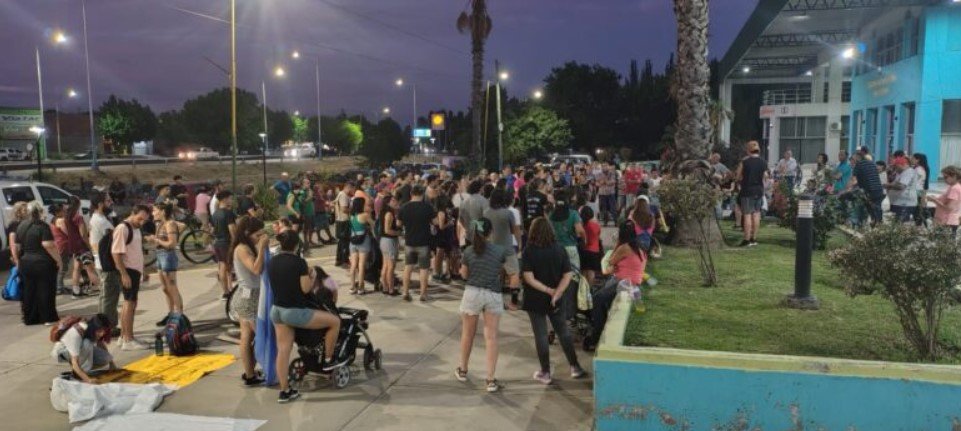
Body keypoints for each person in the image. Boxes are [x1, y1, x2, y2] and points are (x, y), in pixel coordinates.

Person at [269, 230, 346, 403]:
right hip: (295, 311)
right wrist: (312, 276)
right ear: (297, 245)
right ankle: (328, 359)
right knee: (335, 322)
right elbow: (305, 289)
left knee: (283, 351)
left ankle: (284, 391)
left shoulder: (272, 261)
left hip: (277, 310)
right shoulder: (299, 262)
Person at [521, 217, 588, 385]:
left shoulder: (529, 250)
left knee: (541, 335)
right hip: (556, 300)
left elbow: (528, 277)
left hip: (535, 299)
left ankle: (545, 372)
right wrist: (557, 292)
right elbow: (568, 274)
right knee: (563, 331)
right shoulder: (559, 249)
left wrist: (547, 290)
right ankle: (575, 366)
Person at [454, 217, 511, 393]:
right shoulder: (500, 251)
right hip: (493, 294)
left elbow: (463, 275)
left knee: (467, 334)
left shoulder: (469, 251)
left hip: (472, 293)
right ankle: (490, 380)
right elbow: (507, 272)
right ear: (490, 233)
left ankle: (463, 370)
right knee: (491, 338)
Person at [587, 221, 648, 351]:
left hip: (624, 281)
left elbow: (610, 261)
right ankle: (600, 326)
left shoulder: (624, 247)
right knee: (603, 296)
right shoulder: (639, 247)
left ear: (621, 234)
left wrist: (617, 245)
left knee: (597, 299)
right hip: (633, 281)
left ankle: (596, 335)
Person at [230, 216, 268, 387]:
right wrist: (262, 248)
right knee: (261, 336)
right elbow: (256, 269)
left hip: (249, 296)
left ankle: (250, 373)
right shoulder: (242, 249)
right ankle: (257, 372)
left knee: (246, 336)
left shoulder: (245, 246)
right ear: (247, 233)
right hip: (248, 299)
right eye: (257, 235)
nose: (259, 238)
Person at [15, 201, 61, 325]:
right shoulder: (43, 226)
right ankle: (48, 317)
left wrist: (17, 261)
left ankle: (30, 318)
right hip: (43, 263)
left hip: (26, 262)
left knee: (29, 291)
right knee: (45, 289)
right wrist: (58, 259)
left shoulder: (21, 226)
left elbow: (17, 246)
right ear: (39, 212)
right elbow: (48, 245)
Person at [112, 205, 151, 350]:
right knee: (129, 303)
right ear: (132, 213)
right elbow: (116, 253)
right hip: (128, 270)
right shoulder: (123, 228)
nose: (141, 222)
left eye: (144, 221)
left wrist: (143, 270)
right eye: (140, 219)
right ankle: (128, 339)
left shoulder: (135, 228)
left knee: (131, 303)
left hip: (134, 270)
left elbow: (137, 251)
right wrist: (124, 274)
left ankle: (125, 336)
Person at [549, 189, 586, 323]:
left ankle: (556, 307)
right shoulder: (573, 214)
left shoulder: (551, 215)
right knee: (573, 280)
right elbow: (580, 231)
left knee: (557, 279)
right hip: (570, 250)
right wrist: (584, 239)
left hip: (555, 250)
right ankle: (570, 312)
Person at [482, 188, 522, 308]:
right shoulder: (508, 213)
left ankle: (492, 301)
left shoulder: (486, 212)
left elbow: (481, 230)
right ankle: (513, 303)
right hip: (507, 248)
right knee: (514, 273)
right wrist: (519, 244)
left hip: (491, 248)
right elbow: (516, 230)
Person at [50, 314, 117, 383]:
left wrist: (112, 364)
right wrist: (88, 380)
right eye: (100, 331)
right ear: (93, 328)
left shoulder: (92, 329)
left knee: (106, 358)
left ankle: (82, 371)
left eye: (104, 331)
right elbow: (75, 363)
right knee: (87, 343)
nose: (102, 334)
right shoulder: (76, 334)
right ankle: (78, 373)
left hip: (80, 347)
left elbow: (100, 344)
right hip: (62, 351)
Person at [399, 185, 435, 302]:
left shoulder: (404, 207)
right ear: (422, 194)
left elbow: (399, 223)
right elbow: (435, 222)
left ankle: (405, 292)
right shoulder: (427, 207)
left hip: (409, 241)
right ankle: (423, 294)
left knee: (408, 267)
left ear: (411, 193)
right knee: (424, 269)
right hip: (423, 242)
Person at [151, 203, 182, 327]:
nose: (153, 213)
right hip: (160, 255)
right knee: (165, 288)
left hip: (167, 256)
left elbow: (172, 244)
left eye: (154, 210)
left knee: (172, 287)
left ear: (162, 211)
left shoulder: (170, 224)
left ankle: (178, 315)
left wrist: (157, 240)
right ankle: (171, 314)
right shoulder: (160, 224)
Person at [736, 141, 768, 247]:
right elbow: (765, 176)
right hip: (759, 190)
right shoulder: (763, 162)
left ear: (748, 150)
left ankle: (746, 239)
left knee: (747, 215)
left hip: (747, 190)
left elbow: (738, 176)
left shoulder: (745, 162)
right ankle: (754, 238)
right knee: (757, 214)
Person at [847, 151, 886, 226]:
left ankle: (875, 222)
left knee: (871, 207)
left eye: (854, 158)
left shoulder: (859, 165)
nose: (853, 160)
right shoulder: (871, 163)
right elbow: (866, 177)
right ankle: (877, 223)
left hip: (870, 190)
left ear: (858, 157)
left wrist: (847, 189)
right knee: (876, 207)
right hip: (878, 189)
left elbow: (853, 180)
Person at [212, 191, 237, 300]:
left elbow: (212, 229)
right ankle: (228, 290)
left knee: (223, 266)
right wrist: (236, 241)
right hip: (226, 242)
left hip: (218, 242)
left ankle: (227, 290)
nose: (231, 200)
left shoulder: (215, 214)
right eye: (230, 198)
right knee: (227, 267)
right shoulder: (228, 213)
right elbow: (232, 229)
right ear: (225, 199)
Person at [348, 197, 374, 295]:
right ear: (361, 205)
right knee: (361, 265)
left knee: (353, 264)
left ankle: (352, 287)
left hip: (353, 241)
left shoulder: (351, 216)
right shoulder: (365, 215)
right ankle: (360, 287)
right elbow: (374, 224)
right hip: (363, 241)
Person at [884, 157, 918, 223]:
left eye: (896, 166)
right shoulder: (901, 173)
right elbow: (895, 184)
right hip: (899, 202)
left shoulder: (909, 172)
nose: (895, 168)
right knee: (897, 223)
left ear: (902, 164)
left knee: (900, 224)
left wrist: (888, 185)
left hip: (905, 203)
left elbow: (901, 186)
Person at [378, 195, 401, 296]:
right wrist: (399, 233)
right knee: (390, 266)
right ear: (387, 203)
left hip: (384, 241)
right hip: (389, 241)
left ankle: (385, 287)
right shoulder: (389, 214)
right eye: (393, 200)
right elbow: (387, 230)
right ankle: (391, 289)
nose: (395, 201)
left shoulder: (384, 213)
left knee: (386, 265)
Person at [578, 206, 602, 287]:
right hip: (595, 251)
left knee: (583, 272)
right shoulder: (596, 225)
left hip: (584, 250)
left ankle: (582, 290)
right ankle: (590, 291)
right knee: (591, 272)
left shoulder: (582, 226)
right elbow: (598, 237)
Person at [334, 182, 356, 267]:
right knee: (345, 242)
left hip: (340, 221)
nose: (353, 191)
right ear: (348, 187)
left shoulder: (340, 194)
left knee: (341, 242)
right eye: (352, 189)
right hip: (343, 221)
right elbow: (344, 209)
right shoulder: (343, 195)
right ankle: (344, 261)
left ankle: (339, 260)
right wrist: (353, 209)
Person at [6, 202, 29, 268]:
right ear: (18, 212)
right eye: (25, 210)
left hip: (27, 254)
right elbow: (12, 244)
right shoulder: (14, 224)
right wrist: (16, 260)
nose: (27, 212)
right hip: (20, 255)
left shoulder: (26, 222)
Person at [912, 153, 930, 226]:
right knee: (918, 209)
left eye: (913, 158)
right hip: (919, 191)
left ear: (918, 160)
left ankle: (919, 224)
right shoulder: (921, 168)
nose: (911, 160)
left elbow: (914, 181)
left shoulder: (918, 169)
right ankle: (920, 223)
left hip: (916, 191)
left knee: (917, 210)